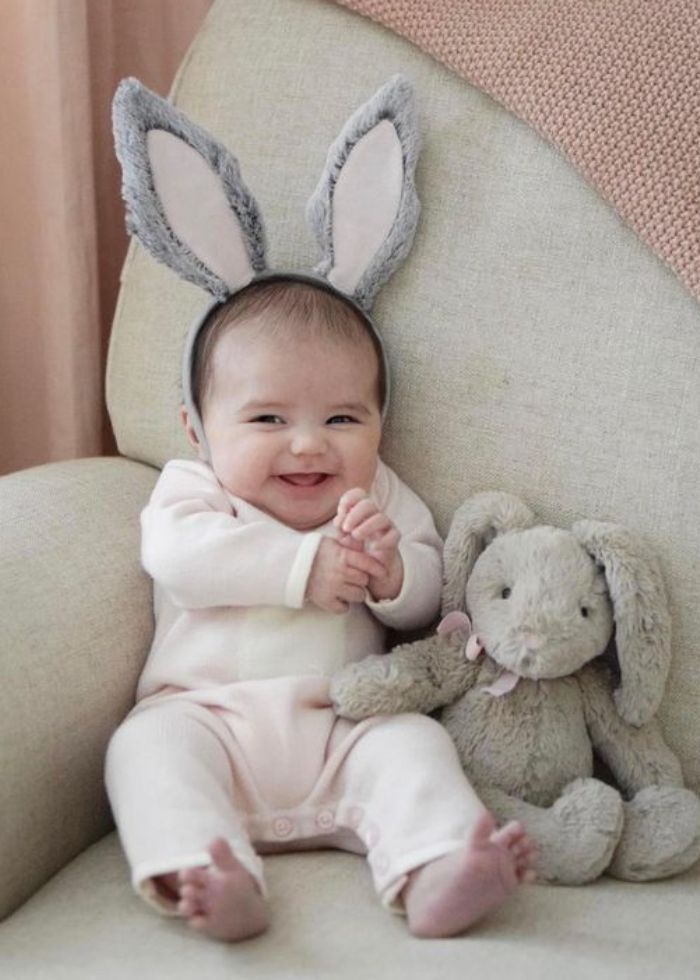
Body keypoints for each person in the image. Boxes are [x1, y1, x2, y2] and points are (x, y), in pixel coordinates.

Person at [104, 278, 535, 943]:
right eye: (267, 419)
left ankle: (439, 868)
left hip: (341, 727)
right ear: (197, 427)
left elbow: (427, 596)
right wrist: (308, 570)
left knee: (414, 743)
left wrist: (392, 573)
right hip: (204, 720)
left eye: (342, 419)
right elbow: (180, 559)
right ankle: (213, 873)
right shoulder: (193, 488)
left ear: (378, 424)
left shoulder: (379, 494)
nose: (308, 444)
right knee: (142, 749)